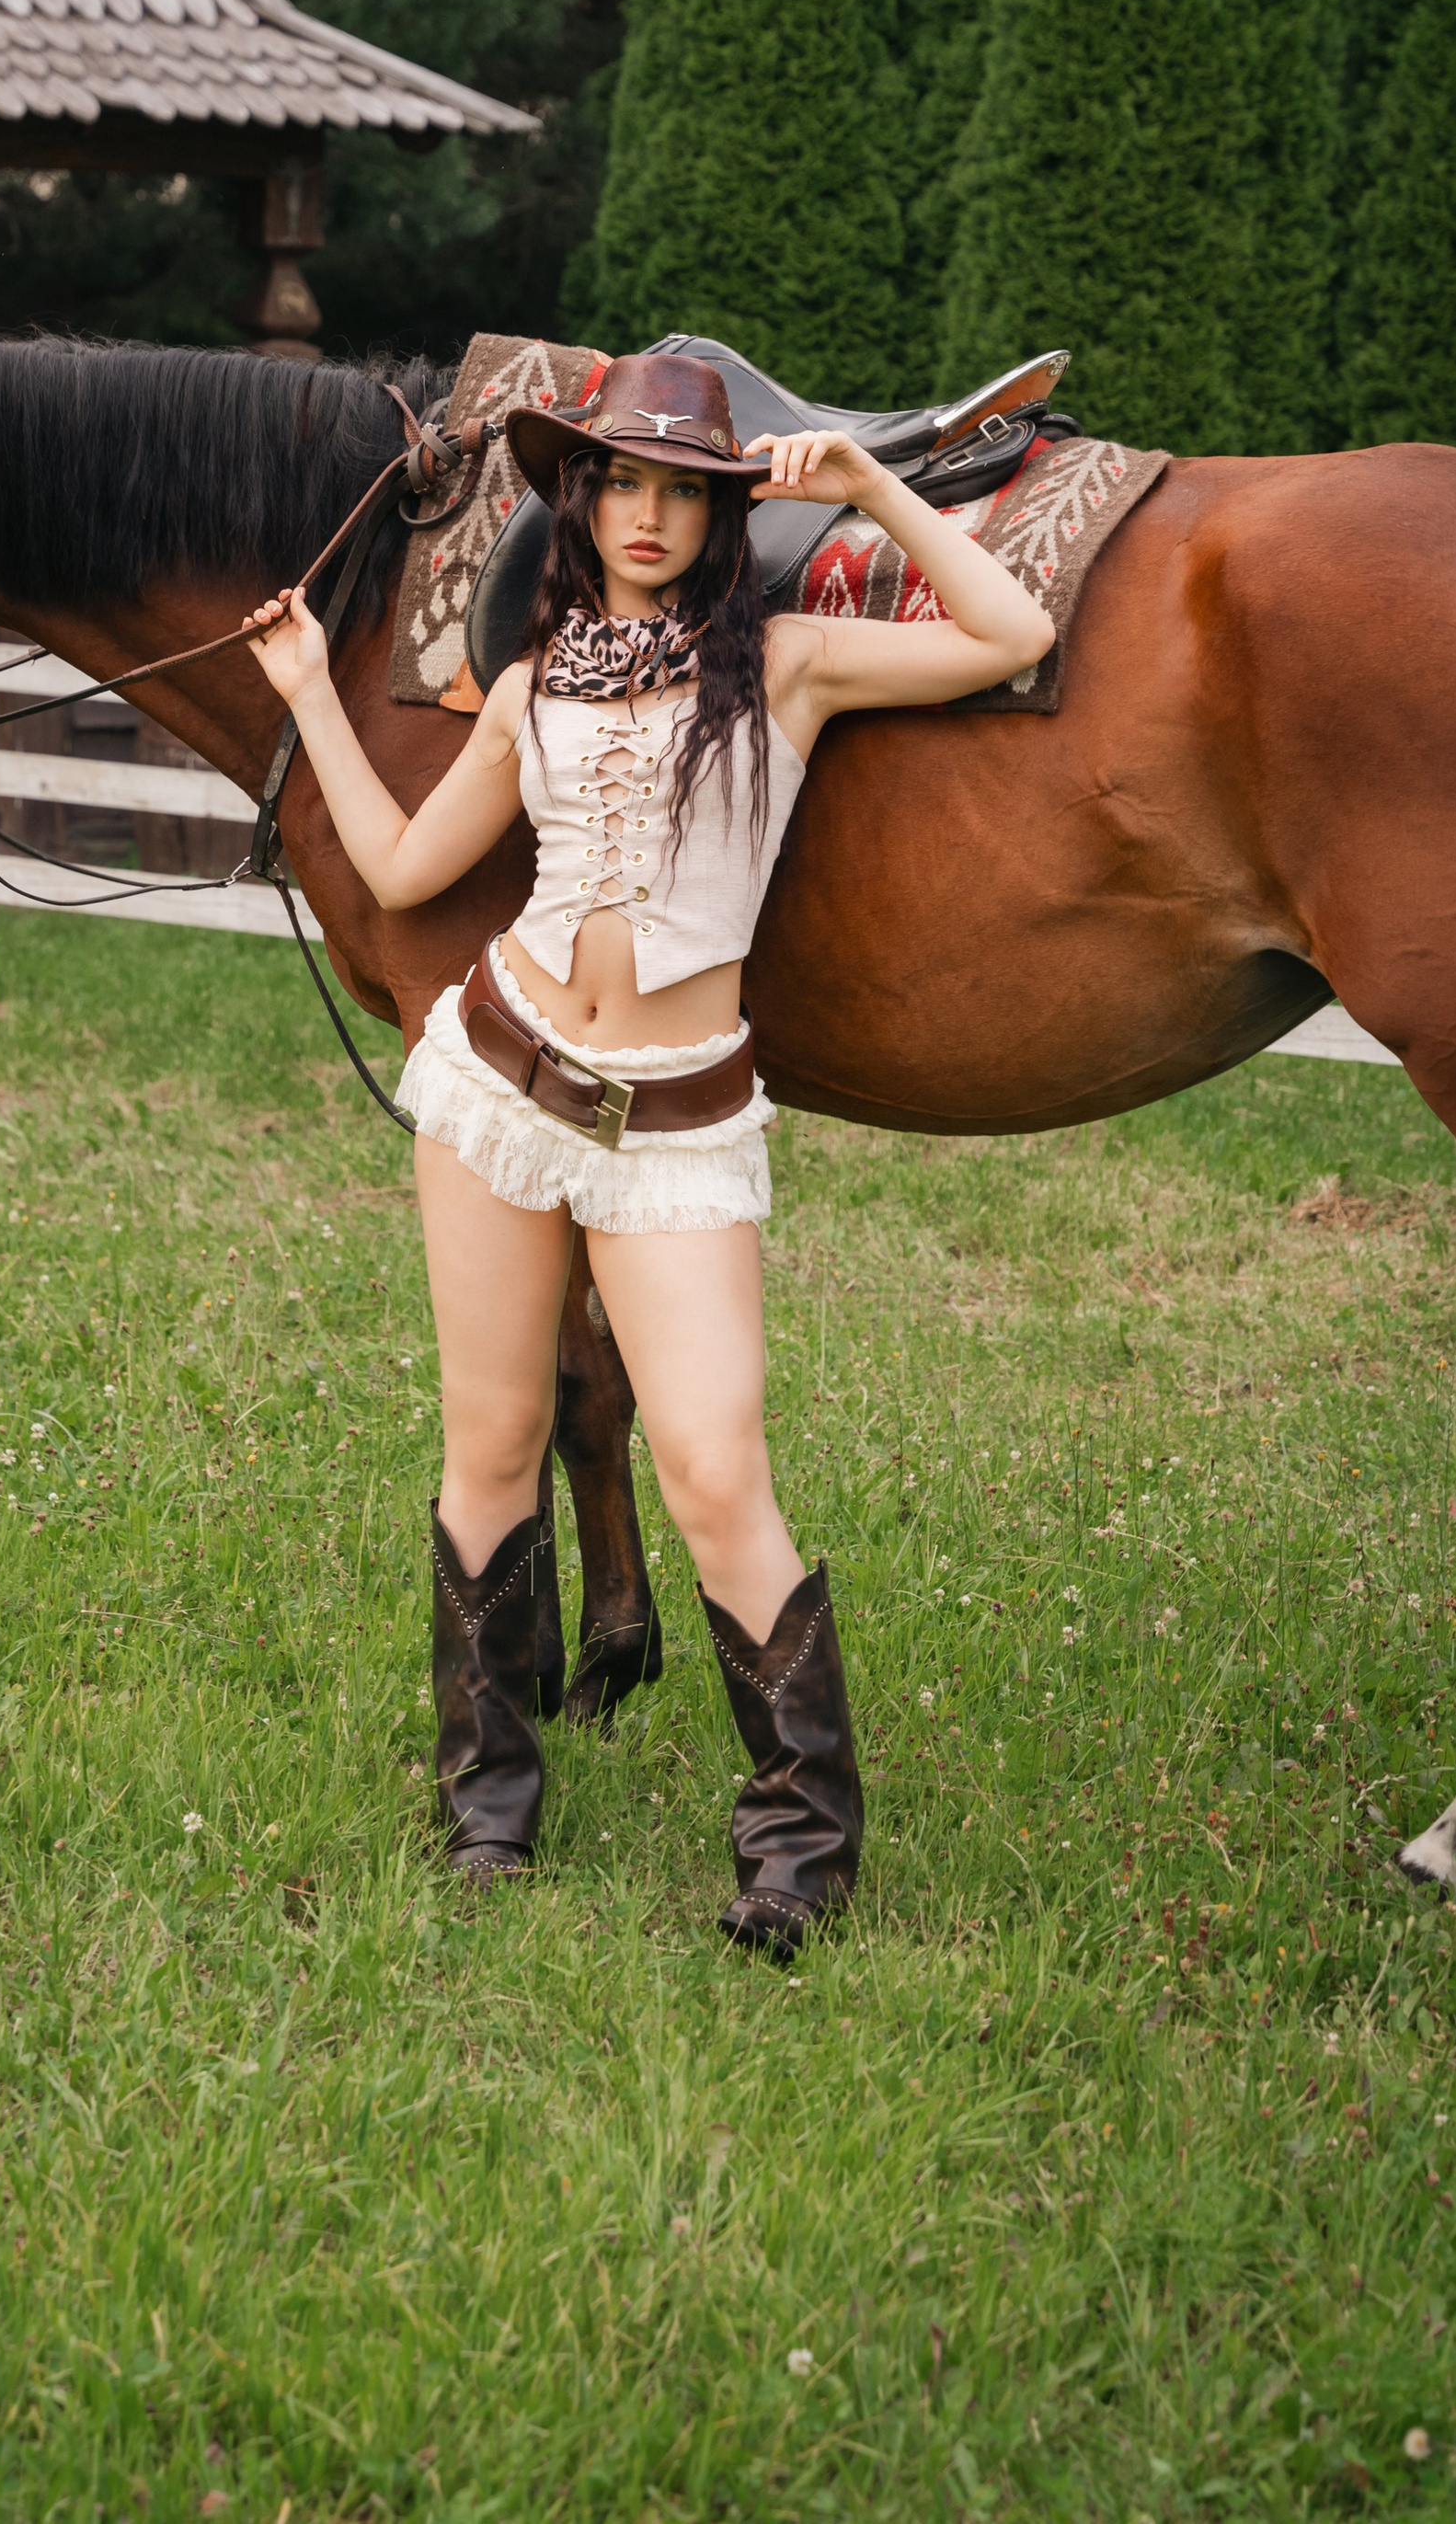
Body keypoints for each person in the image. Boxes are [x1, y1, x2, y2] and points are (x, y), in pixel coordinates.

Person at [246, 351, 1055, 1956]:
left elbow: (1010, 634)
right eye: (623, 481)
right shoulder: (533, 682)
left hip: (675, 1117)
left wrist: (870, 488)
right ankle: (487, 1814)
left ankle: (801, 1851)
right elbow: (401, 870)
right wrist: (310, 695)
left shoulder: (793, 665)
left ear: (721, 518)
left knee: (713, 1468)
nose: (648, 514)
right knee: (493, 1443)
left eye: (686, 490)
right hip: (500, 1082)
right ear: (582, 498)